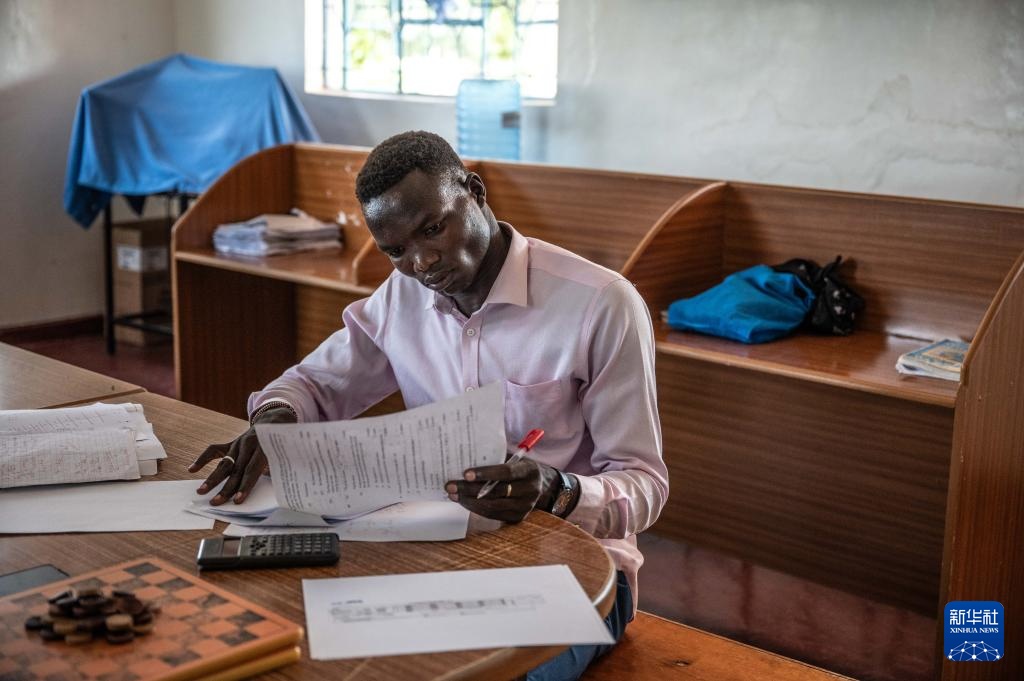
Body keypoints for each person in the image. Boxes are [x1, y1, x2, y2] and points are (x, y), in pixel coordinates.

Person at [189, 130, 668, 680]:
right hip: (440, 549)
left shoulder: (599, 304)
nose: (423, 262)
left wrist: (558, 491)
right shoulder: (404, 294)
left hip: (573, 569)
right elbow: (315, 384)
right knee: (298, 643)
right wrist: (274, 418)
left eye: (434, 228)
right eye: (396, 250)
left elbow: (645, 485)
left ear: (475, 191)